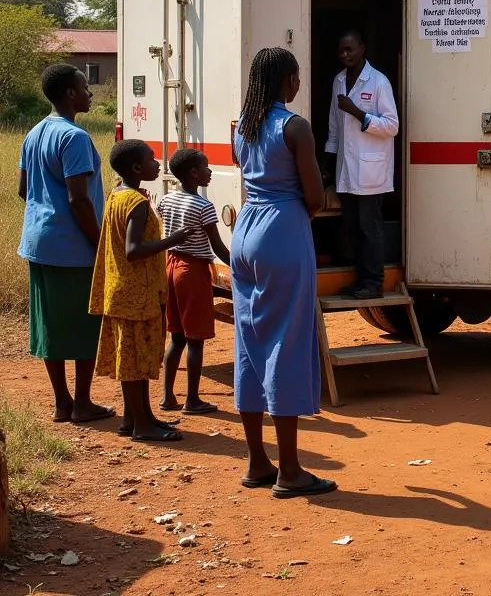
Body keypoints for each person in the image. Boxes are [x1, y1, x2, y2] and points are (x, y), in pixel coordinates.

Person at [233, 46, 335, 498]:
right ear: (286, 81)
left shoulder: (245, 127)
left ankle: (258, 461)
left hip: (246, 229)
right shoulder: (295, 127)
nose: (298, 85)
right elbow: (315, 196)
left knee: (250, 339)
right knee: (287, 343)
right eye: (296, 77)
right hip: (282, 228)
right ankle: (290, 470)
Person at [17, 63, 113, 425]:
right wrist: (100, 240)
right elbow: (79, 199)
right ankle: (83, 403)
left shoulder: (35, 133)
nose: (90, 93)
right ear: (70, 94)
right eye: (85, 86)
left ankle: (62, 402)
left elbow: (23, 189)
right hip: (73, 246)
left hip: (38, 242)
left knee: (50, 325)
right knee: (87, 323)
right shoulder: (74, 138)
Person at [91, 140, 193, 443]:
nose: (157, 163)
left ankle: (136, 417)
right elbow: (134, 249)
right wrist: (172, 239)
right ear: (136, 168)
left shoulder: (117, 195)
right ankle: (141, 425)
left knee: (134, 360)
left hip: (123, 291)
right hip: (136, 294)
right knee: (135, 364)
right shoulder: (135, 203)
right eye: (151, 160)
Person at [324, 29, 399, 300]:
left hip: (371, 170)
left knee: (370, 227)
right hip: (346, 168)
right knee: (352, 227)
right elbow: (334, 124)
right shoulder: (339, 81)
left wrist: (357, 112)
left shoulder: (378, 82)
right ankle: (360, 281)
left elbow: (392, 126)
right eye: (341, 51)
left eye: (350, 49)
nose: (345, 55)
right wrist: (329, 159)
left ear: (362, 49)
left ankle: (374, 282)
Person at [159, 149, 231, 416]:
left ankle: (167, 397)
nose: (209, 172)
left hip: (171, 265)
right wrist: (243, 266)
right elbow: (219, 249)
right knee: (196, 338)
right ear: (193, 173)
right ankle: (192, 399)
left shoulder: (167, 199)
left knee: (176, 337)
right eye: (206, 168)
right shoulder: (204, 207)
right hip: (193, 271)